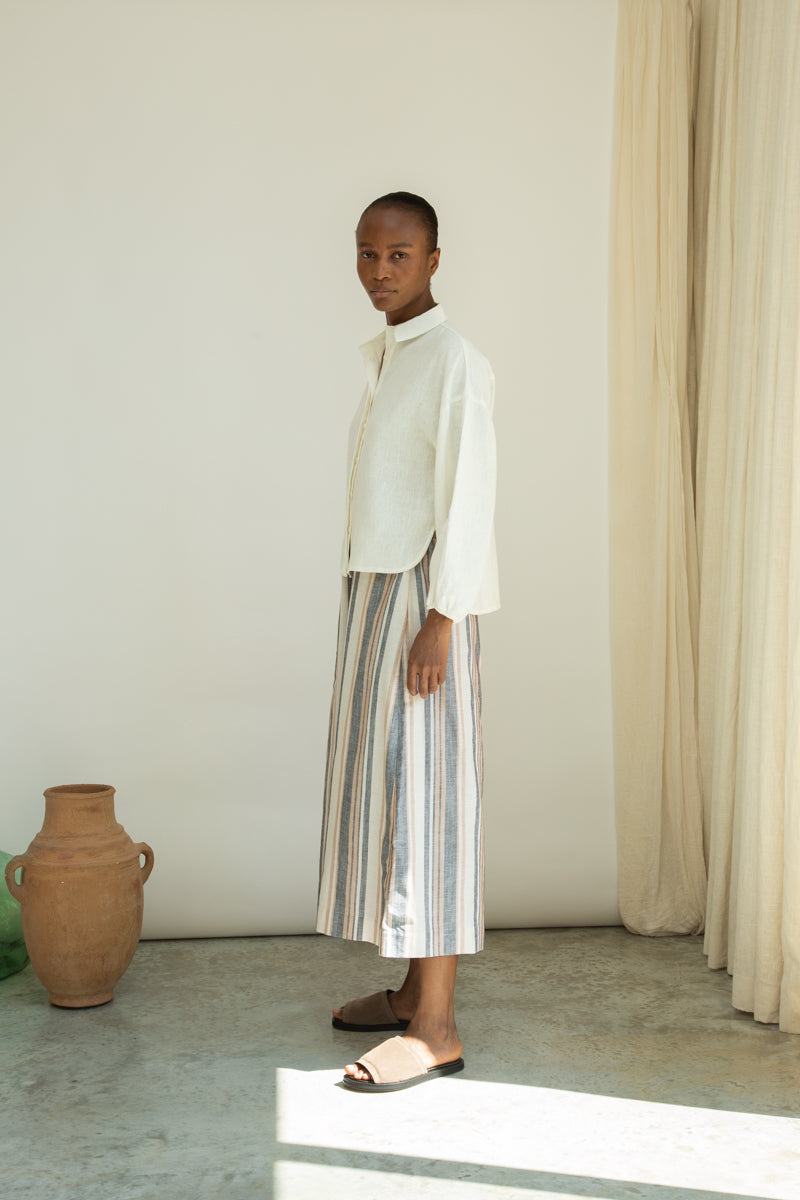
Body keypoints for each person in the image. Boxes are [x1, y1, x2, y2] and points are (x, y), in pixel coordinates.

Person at [317, 191, 499, 1092]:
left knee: (430, 798)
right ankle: (406, 988)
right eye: (367, 254)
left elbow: (468, 497)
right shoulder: (392, 359)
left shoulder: (454, 361)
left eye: (399, 255)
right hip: (377, 593)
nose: (379, 272)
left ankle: (436, 1027)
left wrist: (441, 618)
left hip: (425, 602)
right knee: (390, 794)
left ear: (434, 259)